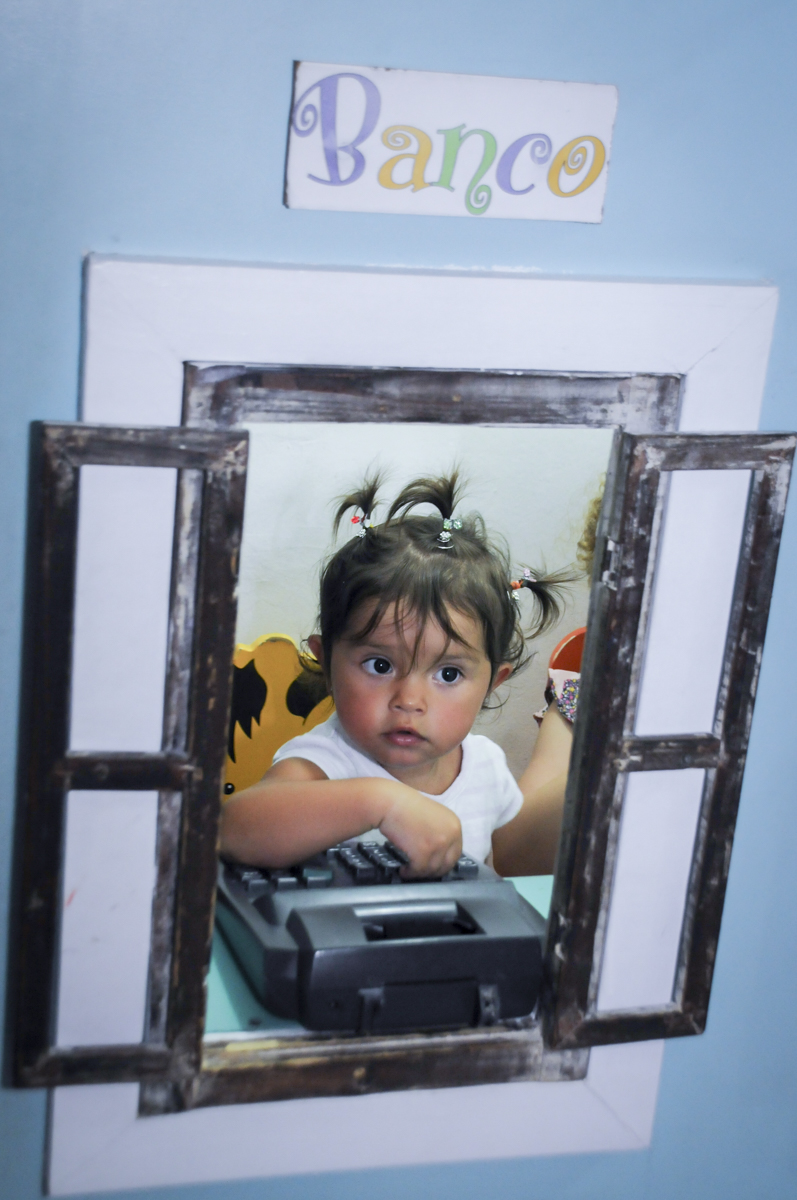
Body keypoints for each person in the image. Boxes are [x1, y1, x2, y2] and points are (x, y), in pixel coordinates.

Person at [220, 472, 572, 879]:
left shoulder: (485, 767)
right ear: (326, 663)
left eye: (449, 673)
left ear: (493, 683)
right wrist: (380, 801)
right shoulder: (324, 763)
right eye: (380, 666)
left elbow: (497, 876)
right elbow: (234, 829)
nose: (409, 700)